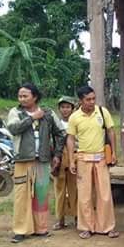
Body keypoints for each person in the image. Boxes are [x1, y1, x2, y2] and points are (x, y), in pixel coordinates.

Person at [6, 84, 65, 243]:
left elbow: (61, 133)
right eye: (20, 96)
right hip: (22, 159)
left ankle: (41, 228)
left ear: (35, 97)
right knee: (21, 195)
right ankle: (20, 230)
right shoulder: (15, 112)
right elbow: (13, 129)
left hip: (43, 160)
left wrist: (57, 154)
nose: (22, 99)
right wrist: (32, 118)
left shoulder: (48, 113)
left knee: (41, 194)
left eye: (25, 96)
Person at [66, 86, 119, 239]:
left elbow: (111, 131)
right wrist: (71, 160)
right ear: (80, 100)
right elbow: (70, 139)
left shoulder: (102, 112)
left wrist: (114, 152)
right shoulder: (75, 117)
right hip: (83, 158)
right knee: (84, 195)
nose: (91, 102)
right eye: (88, 99)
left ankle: (107, 227)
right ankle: (86, 227)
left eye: (93, 99)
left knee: (105, 194)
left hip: (101, 158)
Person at [53, 96, 78, 230]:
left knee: (75, 189)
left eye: (68, 107)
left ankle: (77, 217)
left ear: (72, 109)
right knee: (59, 189)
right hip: (59, 158)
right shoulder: (55, 123)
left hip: (74, 156)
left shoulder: (77, 122)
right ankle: (60, 219)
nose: (65, 110)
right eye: (62, 107)